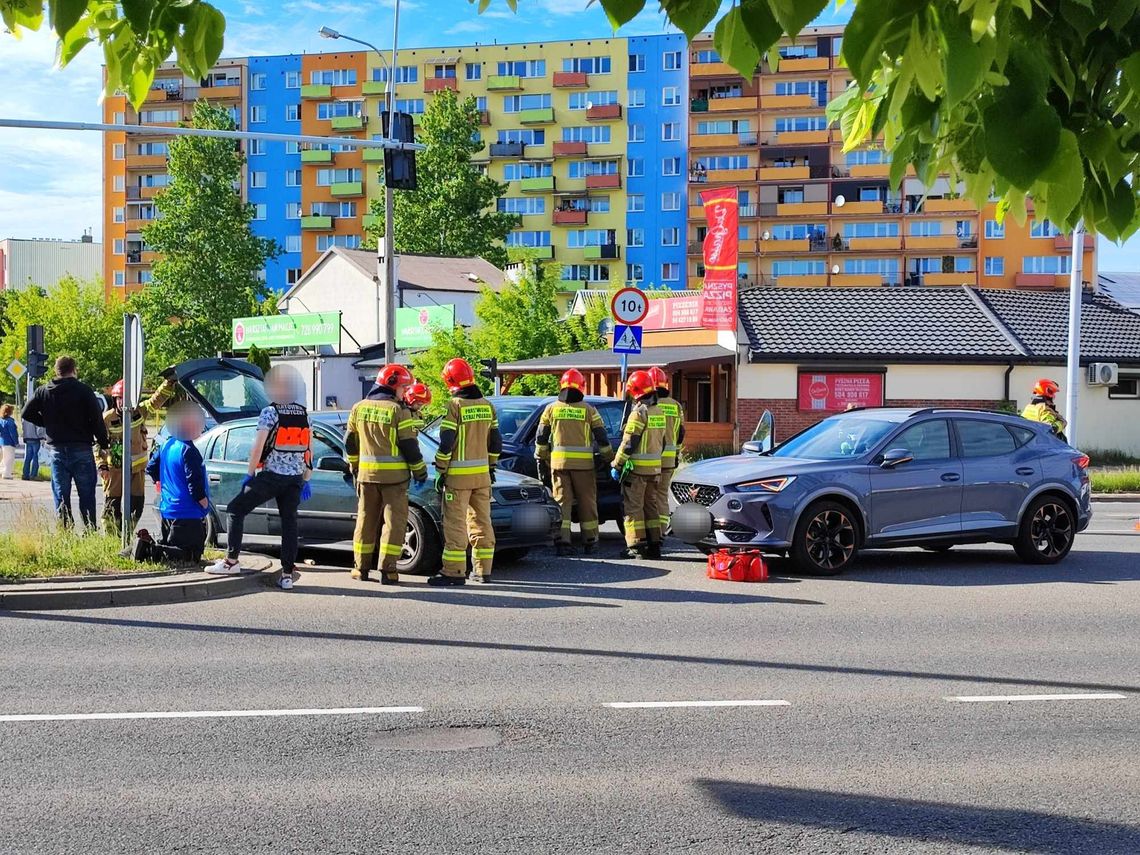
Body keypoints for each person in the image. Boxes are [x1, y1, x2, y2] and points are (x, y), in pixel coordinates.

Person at [206, 365, 312, 590]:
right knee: (289, 524)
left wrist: (250, 473)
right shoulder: (304, 414)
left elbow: (258, 446)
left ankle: (231, 561)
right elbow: (308, 449)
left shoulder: (270, 413)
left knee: (235, 509)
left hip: (272, 476)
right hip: (295, 480)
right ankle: (286, 575)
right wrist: (306, 478)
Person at [344, 364, 428, 584]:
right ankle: (388, 570)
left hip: (366, 477)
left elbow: (349, 443)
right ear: (392, 386)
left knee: (365, 521)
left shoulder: (358, 408)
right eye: (403, 387)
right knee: (394, 523)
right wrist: (420, 471)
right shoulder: (398, 411)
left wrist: (354, 466)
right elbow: (409, 445)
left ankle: (360, 569)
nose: (404, 392)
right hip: (395, 480)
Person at [430, 358, 501, 586]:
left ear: (450, 381)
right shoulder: (487, 405)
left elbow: (446, 441)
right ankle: (483, 571)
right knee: (482, 522)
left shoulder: (456, 405)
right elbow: (496, 442)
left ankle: (454, 571)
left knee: (455, 524)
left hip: (458, 480)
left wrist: (441, 468)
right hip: (482, 478)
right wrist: (490, 467)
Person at [21, 356, 109, 528]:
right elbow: (97, 420)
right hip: (81, 448)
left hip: (57, 450)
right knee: (86, 494)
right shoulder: (84, 390)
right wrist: (104, 443)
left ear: (56, 370)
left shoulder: (44, 391)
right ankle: (89, 530)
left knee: (61, 494)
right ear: (74, 369)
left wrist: (46, 423)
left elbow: (26, 413)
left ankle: (65, 530)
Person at [535, 368, 613, 555]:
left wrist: (542, 457)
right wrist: (608, 458)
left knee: (563, 503)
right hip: (584, 467)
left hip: (559, 465)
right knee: (587, 503)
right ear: (581, 387)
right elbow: (601, 437)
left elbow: (541, 437)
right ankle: (591, 541)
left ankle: (563, 542)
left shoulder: (551, 409)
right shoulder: (588, 410)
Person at [99, 375, 176, 535]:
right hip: (115, 471)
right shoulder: (107, 419)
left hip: (137, 470)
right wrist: (102, 465)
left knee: (137, 504)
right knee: (111, 506)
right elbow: (98, 443)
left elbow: (157, 399)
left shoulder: (140, 411)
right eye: (119, 398)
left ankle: (126, 534)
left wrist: (169, 382)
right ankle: (112, 538)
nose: (122, 402)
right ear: (115, 400)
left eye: (125, 398)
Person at [139, 401, 210, 563]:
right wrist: (203, 501)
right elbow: (194, 481)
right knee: (189, 555)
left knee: (173, 549)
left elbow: (151, 467)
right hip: (188, 512)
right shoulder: (189, 451)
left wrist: (161, 482)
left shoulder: (167, 445)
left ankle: (148, 547)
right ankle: (148, 550)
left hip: (168, 509)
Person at [611, 370, 666, 560]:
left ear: (635, 391)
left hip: (637, 472)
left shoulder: (639, 413)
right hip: (654, 470)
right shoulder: (659, 412)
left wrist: (617, 465)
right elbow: (664, 442)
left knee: (633, 508)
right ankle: (654, 544)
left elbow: (628, 443)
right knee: (651, 506)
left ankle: (635, 546)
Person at [649, 366, 685, 546]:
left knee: (648, 497)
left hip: (649, 460)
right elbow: (681, 433)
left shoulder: (647, 406)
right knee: (662, 496)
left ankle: (650, 533)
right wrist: (677, 452)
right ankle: (662, 531)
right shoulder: (675, 405)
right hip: (669, 459)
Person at [21, 414, 44, 481]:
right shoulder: (36, 416)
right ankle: (33, 475)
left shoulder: (24, 417)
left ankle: (25, 474)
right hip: (35, 438)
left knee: (27, 457)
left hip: (27, 438)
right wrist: (42, 437)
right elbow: (39, 428)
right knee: (35, 457)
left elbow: (23, 427)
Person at [0, 404, 17, 479]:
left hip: (2, 441)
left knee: (4, 458)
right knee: (9, 459)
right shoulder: (10, 421)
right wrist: (16, 442)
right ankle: (7, 474)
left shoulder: (1, 420)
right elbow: (13, 433)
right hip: (10, 442)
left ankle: (2, 471)